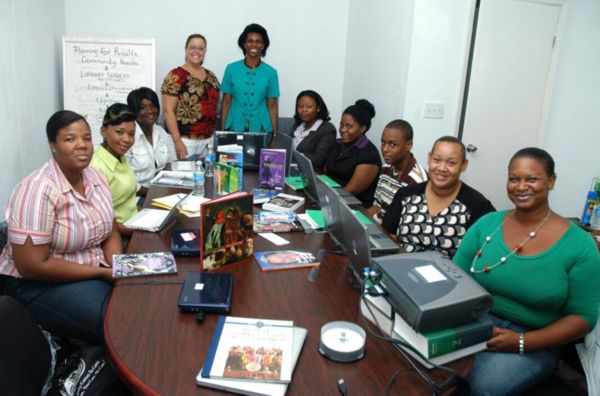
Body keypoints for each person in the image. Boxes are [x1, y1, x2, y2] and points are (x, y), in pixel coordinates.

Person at [453, 147, 600, 395]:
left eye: (532, 179)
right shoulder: (487, 224)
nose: (521, 187)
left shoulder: (581, 246)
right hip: (477, 319)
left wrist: (522, 342)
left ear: (551, 181)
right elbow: (455, 275)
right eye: (514, 179)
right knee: (426, 364)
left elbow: (583, 318)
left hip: (537, 338)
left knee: (483, 386)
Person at [0, 110, 121, 345]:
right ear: (52, 145)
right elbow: (32, 266)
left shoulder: (95, 177)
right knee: (117, 320)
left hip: (92, 266)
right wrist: (103, 272)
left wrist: (119, 265)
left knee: (137, 296)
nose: (82, 145)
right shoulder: (37, 189)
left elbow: (111, 229)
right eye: (70, 139)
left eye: (87, 138)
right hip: (36, 284)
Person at [382, 136, 494, 257]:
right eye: (437, 160)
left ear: (464, 165)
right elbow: (387, 233)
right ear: (429, 158)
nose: (442, 168)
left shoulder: (477, 206)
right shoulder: (406, 195)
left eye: (451, 163)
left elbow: (485, 253)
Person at [161, 33, 220, 160]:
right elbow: (168, 111)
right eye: (192, 47)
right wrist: (177, 142)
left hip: (208, 142)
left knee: (205, 178)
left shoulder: (212, 77)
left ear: (205, 52)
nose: (196, 51)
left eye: (201, 48)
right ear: (186, 50)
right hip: (184, 141)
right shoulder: (175, 76)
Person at [220, 23, 279, 134]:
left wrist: (275, 136)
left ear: (263, 45)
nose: (254, 45)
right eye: (250, 41)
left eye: (258, 42)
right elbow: (226, 102)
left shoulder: (271, 73)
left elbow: (272, 106)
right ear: (244, 44)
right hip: (234, 126)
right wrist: (222, 132)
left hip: (261, 128)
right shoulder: (231, 69)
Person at [90, 103, 138, 236]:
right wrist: (140, 232)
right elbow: (102, 220)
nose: (126, 139)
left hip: (134, 223)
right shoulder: (96, 168)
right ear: (103, 131)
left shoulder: (120, 157)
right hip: (118, 235)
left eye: (131, 134)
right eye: (119, 132)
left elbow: (128, 202)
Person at [324, 99, 382, 208]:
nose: (342, 130)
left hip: (354, 207)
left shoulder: (369, 155)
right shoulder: (337, 144)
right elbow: (327, 174)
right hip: (331, 198)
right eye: (341, 125)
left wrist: (323, 198)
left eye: (349, 126)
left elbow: (349, 192)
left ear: (363, 128)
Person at [368, 119, 428, 223]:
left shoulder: (417, 180)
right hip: (379, 225)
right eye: (383, 142)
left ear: (408, 145)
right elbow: (377, 206)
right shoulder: (386, 168)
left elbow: (406, 226)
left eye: (392, 145)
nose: (385, 149)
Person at [126, 87, 172, 196]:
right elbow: (125, 181)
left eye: (153, 106)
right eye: (143, 107)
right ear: (134, 111)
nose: (150, 111)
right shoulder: (127, 137)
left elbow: (170, 163)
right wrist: (151, 193)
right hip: (137, 196)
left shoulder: (161, 132)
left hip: (160, 189)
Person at [288, 90, 336, 169]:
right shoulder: (297, 125)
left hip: (312, 173)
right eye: (300, 106)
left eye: (309, 106)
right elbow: (287, 146)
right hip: (292, 169)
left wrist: (293, 155)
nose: (303, 110)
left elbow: (318, 159)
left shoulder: (327, 129)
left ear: (318, 108)